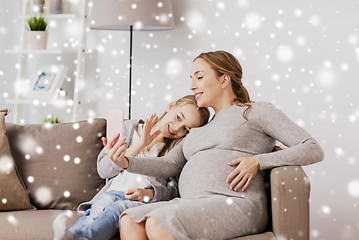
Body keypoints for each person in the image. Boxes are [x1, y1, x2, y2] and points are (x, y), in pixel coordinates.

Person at [107, 50, 325, 240]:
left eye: (199, 77)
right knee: (129, 220)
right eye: (191, 78)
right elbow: (168, 165)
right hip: (192, 204)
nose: (192, 85)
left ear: (224, 80)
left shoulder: (255, 112)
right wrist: (125, 161)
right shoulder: (197, 130)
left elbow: (312, 148)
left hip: (236, 203)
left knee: (158, 222)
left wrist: (258, 161)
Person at [52, 95, 210, 240]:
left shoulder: (175, 151)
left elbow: (174, 190)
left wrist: (149, 193)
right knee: (94, 214)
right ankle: (73, 236)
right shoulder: (129, 128)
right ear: (171, 106)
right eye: (178, 117)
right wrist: (140, 144)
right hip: (112, 193)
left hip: (140, 202)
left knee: (116, 209)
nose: (177, 127)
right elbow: (103, 170)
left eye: (186, 129)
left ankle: (77, 237)